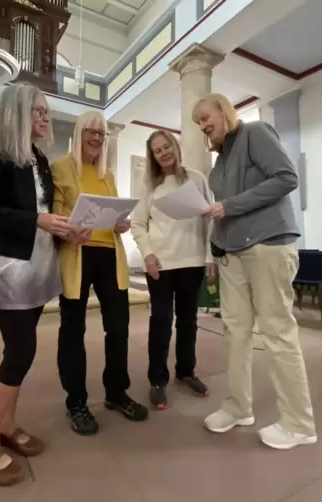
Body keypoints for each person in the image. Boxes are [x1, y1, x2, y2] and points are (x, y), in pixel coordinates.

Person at [192, 93, 317, 450]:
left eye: (205, 116)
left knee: (277, 331)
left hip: (267, 243)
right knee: (235, 331)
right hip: (232, 252)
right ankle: (237, 407)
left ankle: (299, 423)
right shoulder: (218, 166)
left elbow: (286, 177)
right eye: (197, 122)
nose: (202, 125)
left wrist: (228, 206)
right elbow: (223, 213)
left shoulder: (255, 133)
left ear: (223, 109)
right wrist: (215, 247)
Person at [0, 83, 73, 485]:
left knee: (23, 349)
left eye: (47, 112)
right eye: (39, 111)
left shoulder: (39, 158)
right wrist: (37, 221)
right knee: (20, 351)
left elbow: (44, 211)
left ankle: (8, 425)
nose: (46, 118)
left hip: (40, 262)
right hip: (9, 263)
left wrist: (66, 230)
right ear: (18, 111)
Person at [52, 110, 149, 436]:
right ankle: (76, 402)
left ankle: (116, 392)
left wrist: (121, 223)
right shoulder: (60, 168)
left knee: (118, 328)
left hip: (110, 254)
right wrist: (67, 231)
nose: (96, 137)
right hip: (78, 255)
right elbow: (53, 216)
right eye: (91, 131)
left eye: (102, 133)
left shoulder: (107, 174)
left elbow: (111, 214)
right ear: (79, 132)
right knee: (72, 331)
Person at [130, 129, 215, 410]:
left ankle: (186, 371)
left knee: (188, 321)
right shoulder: (150, 187)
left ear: (176, 147)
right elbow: (138, 224)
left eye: (167, 146)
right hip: (161, 266)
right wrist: (148, 255)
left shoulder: (196, 178)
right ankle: (157, 380)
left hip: (191, 262)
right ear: (153, 156)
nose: (164, 152)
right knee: (161, 322)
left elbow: (210, 220)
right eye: (157, 150)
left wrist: (209, 256)